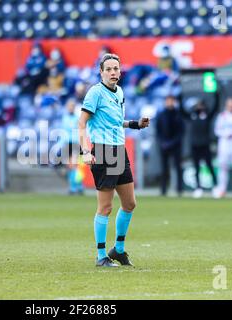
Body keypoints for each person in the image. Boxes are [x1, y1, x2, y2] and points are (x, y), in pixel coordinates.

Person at [79, 53, 149, 267]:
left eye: (116, 69)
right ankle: (101, 256)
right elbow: (82, 124)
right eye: (108, 69)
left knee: (129, 203)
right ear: (101, 73)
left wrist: (136, 124)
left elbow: (116, 122)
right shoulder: (95, 93)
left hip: (119, 150)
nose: (113, 72)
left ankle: (118, 250)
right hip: (103, 152)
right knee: (106, 207)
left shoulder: (119, 92)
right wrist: (85, 151)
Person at [180, 99, 217, 198]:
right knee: (196, 167)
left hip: (205, 145)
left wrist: (216, 93)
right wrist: (180, 96)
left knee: (210, 166)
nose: (199, 107)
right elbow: (182, 111)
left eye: (201, 105)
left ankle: (215, 187)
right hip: (195, 145)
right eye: (198, 105)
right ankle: (198, 188)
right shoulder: (192, 116)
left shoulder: (207, 116)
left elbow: (215, 107)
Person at [155, 95, 185, 196]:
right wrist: (162, 143)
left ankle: (180, 190)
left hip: (176, 145)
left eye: (171, 101)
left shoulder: (178, 114)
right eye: (168, 101)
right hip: (164, 145)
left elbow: (181, 132)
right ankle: (163, 190)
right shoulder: (161, 115)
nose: (170, 103)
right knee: (164, 168)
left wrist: (172, 142)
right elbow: (158, 131)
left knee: (178, 167)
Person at [61, 98, 83, 195]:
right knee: (69, 166)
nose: (70, 108)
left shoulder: (76, 118)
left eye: (72, 106)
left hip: (74, 143)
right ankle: (77, 186)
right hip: (66, 143)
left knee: (74, 164)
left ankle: (75, 187)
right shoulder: (64, 118)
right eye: (69, 106)